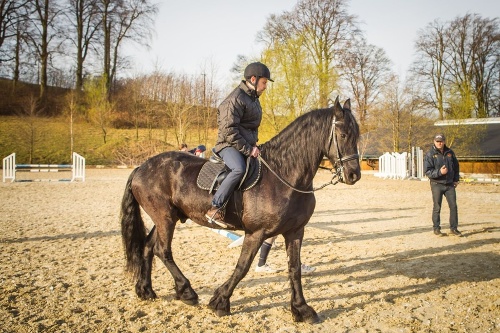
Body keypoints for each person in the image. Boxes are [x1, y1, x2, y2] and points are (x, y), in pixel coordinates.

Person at [205, 62, 272, 228]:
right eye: (264, 83)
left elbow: (248, 128)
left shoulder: (253, 100)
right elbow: (229, 132)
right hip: (227, 145)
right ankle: (215, 207)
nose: (265, 87)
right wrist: (249, 149)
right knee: (239, 169)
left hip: (243, 144)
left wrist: (255, 145)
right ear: (254, 79)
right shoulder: (235, 99)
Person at [424, 133, 462, 236]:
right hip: (436, 184)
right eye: (437, 141)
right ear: (434, 141)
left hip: (449, 184)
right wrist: (440, 172)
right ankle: (436, 229)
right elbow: (427, 171)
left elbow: (456, 167)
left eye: (441, 141)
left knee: (453, 206)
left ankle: (453, 228)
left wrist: (456, 179)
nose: (439, 143)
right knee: (437, 207)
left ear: (444, 141)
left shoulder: (450, 152)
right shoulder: (430, 154)